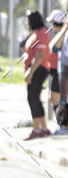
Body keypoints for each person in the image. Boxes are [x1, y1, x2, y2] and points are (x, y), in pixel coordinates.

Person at [23, 10, 55, 140]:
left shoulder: (42, 32)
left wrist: (31, 73)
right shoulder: (37, 33)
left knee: (32, 98)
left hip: (39, 68)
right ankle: (44, 128)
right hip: (37, 69)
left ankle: (37, 129)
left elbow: (40, 55)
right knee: (35, 97)